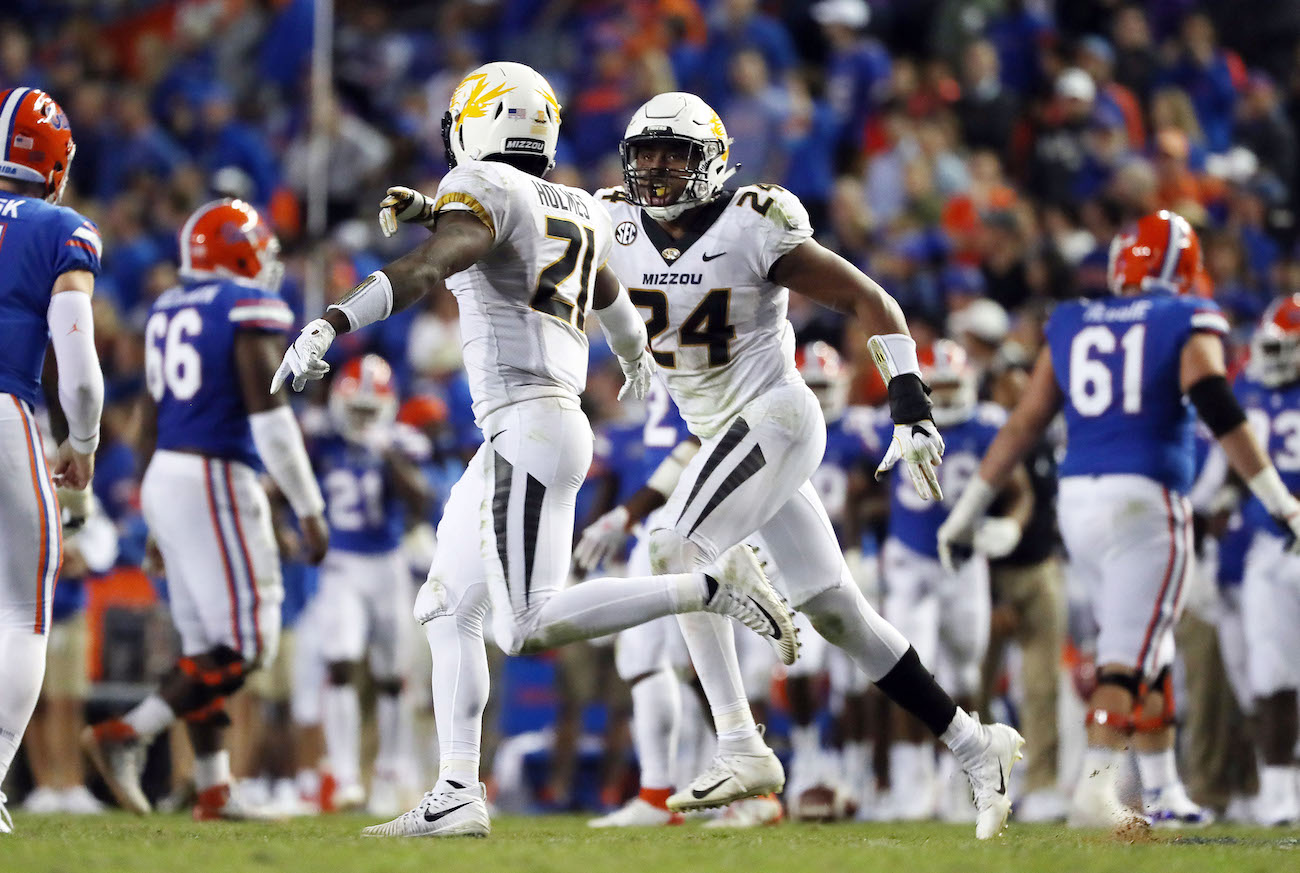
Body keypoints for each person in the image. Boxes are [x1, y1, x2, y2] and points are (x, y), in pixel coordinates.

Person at [272, 61, 796, 839]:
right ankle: (456, 789)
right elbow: (604, 290)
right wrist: (634, 355)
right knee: (445, 603)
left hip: (527, 421)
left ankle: (711, 586)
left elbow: (431, 265)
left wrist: (334, 319)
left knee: (524, 623)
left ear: (476, 123)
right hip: (531, 424)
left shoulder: (484, 187)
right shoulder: (575, 202)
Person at [591, 91, 1025, 840]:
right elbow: (532, 239)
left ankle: (740, 744)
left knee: (674, 545)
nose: (657, 167)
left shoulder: (752, 221)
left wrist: (910, 402)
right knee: (836, 612)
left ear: (712, 161)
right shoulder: (610, 221)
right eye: (647, 152)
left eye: (675, 152)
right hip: (727, 436)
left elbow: (869, 298)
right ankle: (974, 743)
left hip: (777, 418)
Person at [938, 210, 1300, 830]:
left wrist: (964, 513)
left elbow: (1025, 424)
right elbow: (1215, 403)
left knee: (1146, 645)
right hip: (1144, 498)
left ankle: (1164, 789)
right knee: (1128, 655)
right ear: (1183, 266)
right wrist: (1281, 501)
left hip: (1079, 502)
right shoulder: (1184, 315)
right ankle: (1096, 784)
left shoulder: (1073, 319)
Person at [82, 198, 329, 821]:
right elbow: (271, 421)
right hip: (214, 471)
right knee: (248, 644)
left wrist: (152, 511)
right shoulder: (243, 307)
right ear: (239, 254)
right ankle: (126, 733)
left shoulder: (167, 307)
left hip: (167, 472)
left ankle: (214, 789)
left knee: (204, 643)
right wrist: (308, 507)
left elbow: (148, 421)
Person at [868, 340, 1031, 823]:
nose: (946, 395)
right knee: (907, 671)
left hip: (963, 562)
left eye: (953, 385)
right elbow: (856, 485)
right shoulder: (892, 421)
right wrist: (864, 547)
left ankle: (966, 780)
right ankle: (912, 783)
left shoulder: (986, 426)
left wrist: (1011, 525)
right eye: (936, 386)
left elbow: (1020, 490)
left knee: (965, 676)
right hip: (909, 561)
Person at [0, 86, 105, 835]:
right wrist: (84, 441)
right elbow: (80, 371)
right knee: (22, 608)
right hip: (5, 408)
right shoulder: (60, 227)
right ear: (56, 164)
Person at [310, 354, 428, 814]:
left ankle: (392, 769)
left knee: (392, 674)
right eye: (354, 410)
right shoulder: (320, 438)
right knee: (340, 662)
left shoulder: (400, 442)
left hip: (387, 563)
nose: (360, 419)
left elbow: (421, 497)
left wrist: (386, 453)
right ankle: (343, 773)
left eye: (368, 411)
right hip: (341, 561)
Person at [1235, 295, 1300, 825]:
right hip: (1268, 546)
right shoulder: (1248, 389)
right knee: (1270, 671)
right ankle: (1278, 792)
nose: (1272, 359)